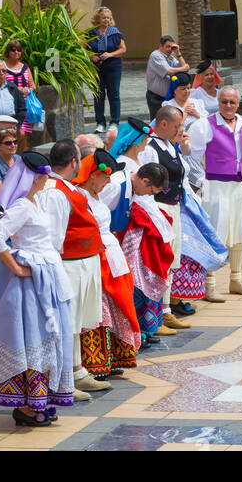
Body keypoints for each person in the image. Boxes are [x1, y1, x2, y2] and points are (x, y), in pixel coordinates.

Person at [0, 150, 75, 425]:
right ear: (32, 177)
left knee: (48, 338)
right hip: (29, 282)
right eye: (41, 175)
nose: (46, 179)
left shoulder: (37, 202)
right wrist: (16, 267)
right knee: (31, 338)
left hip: (46, 275)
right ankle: (25, 404)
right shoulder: (23, 205)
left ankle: (40, 398)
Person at [137, 107, 229, 327]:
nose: (180, 130)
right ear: (163, 124)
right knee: (160, 261)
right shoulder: (151, 148)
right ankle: (156, 313)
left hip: (174, 207)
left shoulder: (170, 146)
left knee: (172, 260)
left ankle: (167, 309)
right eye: (177, 125)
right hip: (159, 208)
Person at [35, 141, 111, 399]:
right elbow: (54, 238)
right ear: (74, 163)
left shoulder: (62, 188)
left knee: (75, 322)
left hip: (81, 261)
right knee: (67, 322)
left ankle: (77, 371)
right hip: (68, 264)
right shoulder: (55, 191)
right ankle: (64, 377)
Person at [68, 149, 143, 380]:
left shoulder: (97, 195)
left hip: (110, 255)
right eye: (106, 176)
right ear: (93, 174)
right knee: (98, 309)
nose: (109, 181)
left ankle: (110, 358)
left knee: (114, 306)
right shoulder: (80, 196)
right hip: (95, 256)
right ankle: (94, 361)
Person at [188, 86, 242, 299]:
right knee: (215, 232)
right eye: (224, 101)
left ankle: (236, 279)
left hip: (238, 185)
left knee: (239, 233)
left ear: (238, 104)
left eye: (232, 102)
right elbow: (190, 156)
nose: (228, 106)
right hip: (214, 185)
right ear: (218, 103)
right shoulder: (204, 125)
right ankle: (209, 285)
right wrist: (200, 181)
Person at [111, 148, 175, 351]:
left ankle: (138, 330)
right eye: (150, 191)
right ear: (145, 180)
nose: (148, 196)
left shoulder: (132, 186)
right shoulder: (115, 185)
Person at [87, 6, 127, 134]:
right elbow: (83, 49)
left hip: (113, 67)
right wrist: (91, 56)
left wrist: (110, 54)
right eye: (104, 17)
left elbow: (123, 49)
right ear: (98, 18)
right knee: (98, 95)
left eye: (108, 18)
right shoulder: (91, 33)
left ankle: (114, 122)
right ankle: (100, 123)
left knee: (113, 94)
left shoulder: (114, 32)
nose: (106, 20)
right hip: (96, 68)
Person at [145, 35, 188, 121]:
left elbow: (184, 67)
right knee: (156, 123)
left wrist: (178, 53)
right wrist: (184, 68)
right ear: (160, 46)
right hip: (156, 98)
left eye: (171, 47)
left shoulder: (171, 58)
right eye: (167, 47)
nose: (170, 49)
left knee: (169, 123)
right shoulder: (156, 55)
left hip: (168, 98)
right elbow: (169, 71)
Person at [2, 41, 38, 137]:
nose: (16, 52)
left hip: (25, 105)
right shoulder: (2, 67)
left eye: (19, 50)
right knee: (17, 133)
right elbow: (0, 84)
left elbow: (33, 85)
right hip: (9, 104)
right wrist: (17, 89)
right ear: (8, 52)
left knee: (23, 134)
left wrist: (28, 90)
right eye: (13, 50)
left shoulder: (25, 67)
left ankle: (21, 152)